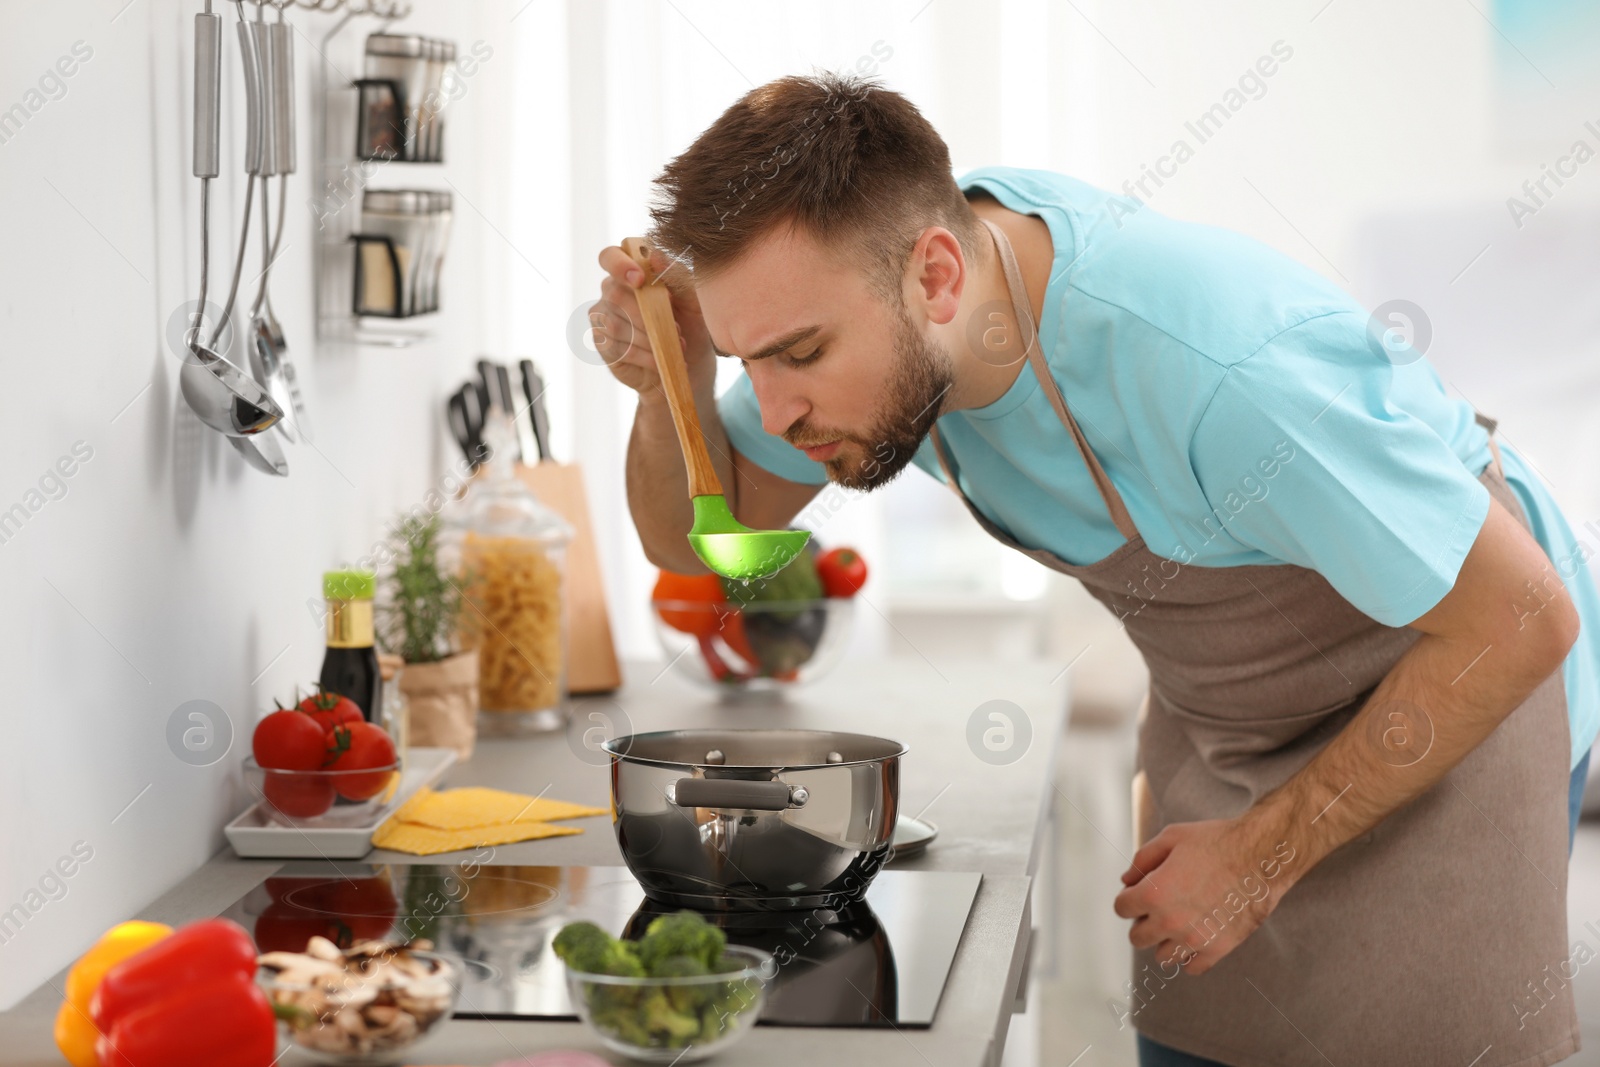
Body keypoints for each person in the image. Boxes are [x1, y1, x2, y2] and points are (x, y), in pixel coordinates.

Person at [592, 73, 1597, 1067]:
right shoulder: (888, 291)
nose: (772, 413)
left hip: (1459, 678)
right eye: (745, 361)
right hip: (1234, 727)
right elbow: (693, 544)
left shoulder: (1219, 370)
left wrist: (1262, 852)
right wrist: (667, 388)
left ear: (937, 278)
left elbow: (1519, 619)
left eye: (800, 355)